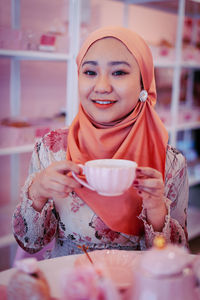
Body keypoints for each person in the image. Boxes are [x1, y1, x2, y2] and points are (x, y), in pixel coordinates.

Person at [12, 27, 188, 259]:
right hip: (70, 285)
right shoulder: (51, 149)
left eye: (119, 73)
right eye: (90, 72)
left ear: (143, 83)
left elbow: (175, 257)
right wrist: (38, 191)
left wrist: (156, 209)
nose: (102, 86)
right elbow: (30, 243)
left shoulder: (170, 162)